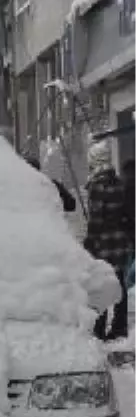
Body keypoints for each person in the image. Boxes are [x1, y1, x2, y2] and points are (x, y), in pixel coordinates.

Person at [83, 144, 133, 340]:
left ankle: (99, 328)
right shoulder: (119, 182)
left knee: (101, 284)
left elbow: (96, 219)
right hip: (119, 242)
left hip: (102, 244)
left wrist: (89, 242)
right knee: (119, 283)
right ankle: (119, 327)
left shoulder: (97, 185)